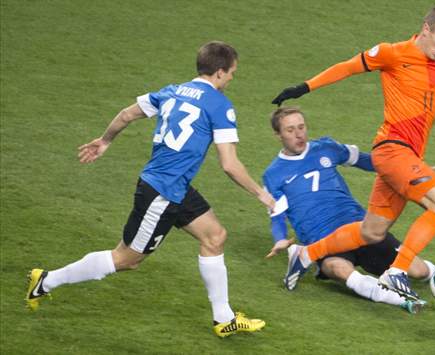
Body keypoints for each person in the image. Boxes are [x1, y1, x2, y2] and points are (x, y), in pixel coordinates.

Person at [272, 6, 435, 300]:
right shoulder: (393, 53)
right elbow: (348, 66)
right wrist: (304, 87)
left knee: (371, 233)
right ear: (426, 29)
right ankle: (396, 272)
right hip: (393, 149)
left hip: (405, 157)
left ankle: (304, 254)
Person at [26, 41, 275, 338]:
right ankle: (46, 280)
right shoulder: (220, 106)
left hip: (174, 186)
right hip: (162, 192)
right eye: (232, 72)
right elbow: (230, 165)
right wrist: (262, 195)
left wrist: (105, 141)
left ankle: (224, 318)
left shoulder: (171, 91)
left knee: (215, 236)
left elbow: (126, 114)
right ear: (220, 72)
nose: (233, 78)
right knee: (127, 260)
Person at [263, 106, 435, 313]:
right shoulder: (273, 174)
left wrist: (405, 169)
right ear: (278, 135)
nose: (299, 134)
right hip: (323, 238)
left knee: (418, 270)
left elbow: (367, 161)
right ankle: (402, 301)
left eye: (301, 127)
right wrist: (280, 238)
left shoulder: (326, 148)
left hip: (360, 227)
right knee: (337, 268)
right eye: (290, 130)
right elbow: (277, 214)